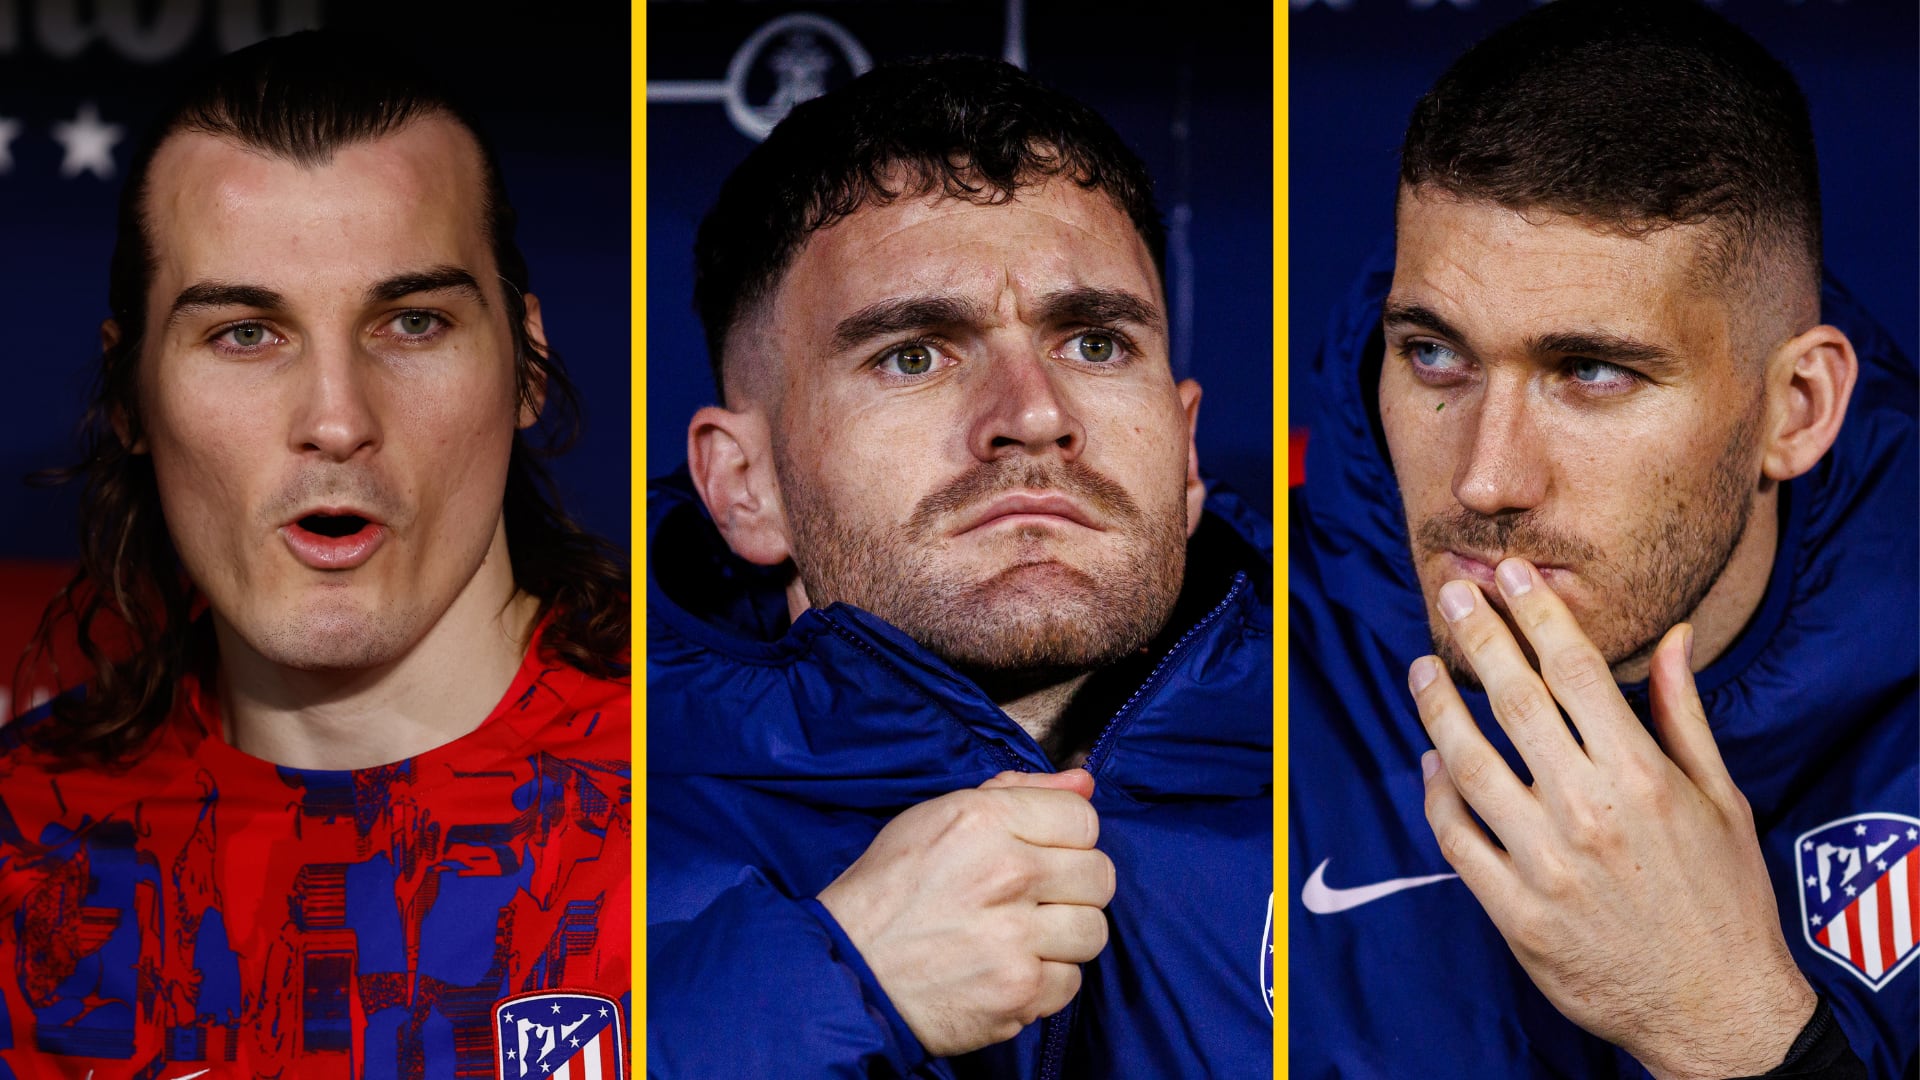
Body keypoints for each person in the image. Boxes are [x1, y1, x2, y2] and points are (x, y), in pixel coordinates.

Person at [1288, 1, 1917, 1077]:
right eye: (1436, 355)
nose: (1485, 477)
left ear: (1796, 409)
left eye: (1591, 373)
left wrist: (1733, 1033)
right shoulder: (1244, 651)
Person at [0, 32, 631, 1078]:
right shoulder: (25, 847)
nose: (336, 420)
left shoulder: (716, 780)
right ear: (130, 399)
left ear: (527, 364)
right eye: (246, 334)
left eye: (414, 322)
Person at [647, 55, 1273, 1077]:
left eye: (1096, 345)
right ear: (744, 484)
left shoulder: (1410, 794)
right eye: (913, 355)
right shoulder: (554, 842)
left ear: (1188, 448)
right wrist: (833, 986)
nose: (1033, 414)